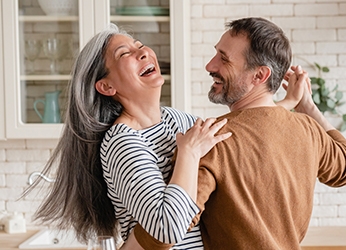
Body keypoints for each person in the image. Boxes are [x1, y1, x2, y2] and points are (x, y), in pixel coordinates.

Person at [135, 17, 346, 249]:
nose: (210, 66)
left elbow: (163, 236)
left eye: (224, 60)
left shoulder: (211, 140)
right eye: (216, 54)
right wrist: (307, 106)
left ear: (260, 76)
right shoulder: (308, 129)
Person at [24, 23, 234, 248]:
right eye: (125, 54)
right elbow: (168, 229)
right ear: (106, 86)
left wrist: (274, 108)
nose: (143, 52)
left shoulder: (178, 120)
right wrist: (189, 154)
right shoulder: (122, 143)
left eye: (140, 46)